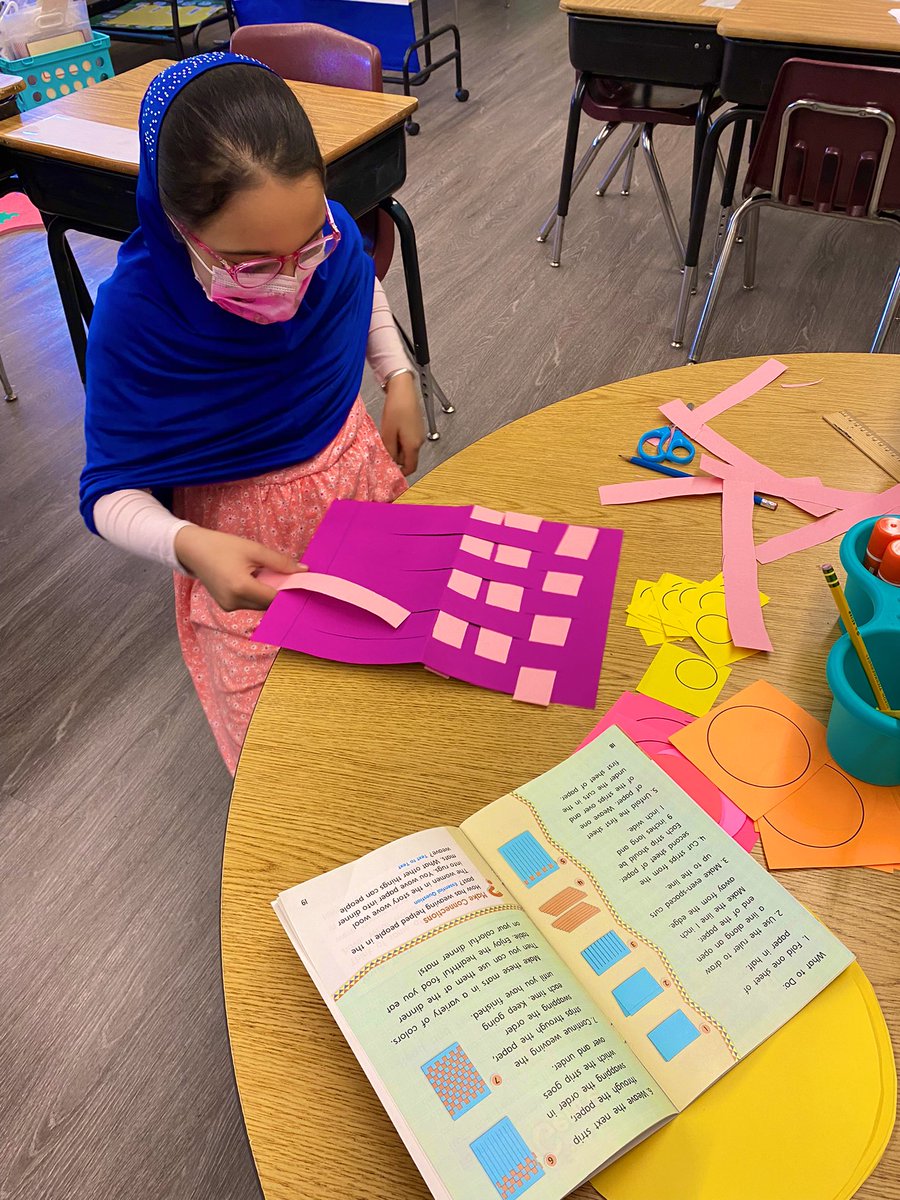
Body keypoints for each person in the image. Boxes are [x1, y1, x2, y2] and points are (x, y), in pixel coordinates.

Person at [80, 53, 425, 774]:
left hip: (356, 486)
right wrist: (186, 545)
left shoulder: (318, 231)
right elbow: (108, 492)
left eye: (307, 247)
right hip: (243, 557)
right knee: (282, 754)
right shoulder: (135, 315)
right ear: (177, 225)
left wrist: (397, 374)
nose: (294, 280)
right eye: (251, 263)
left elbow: (359, 281)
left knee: (388, 691)